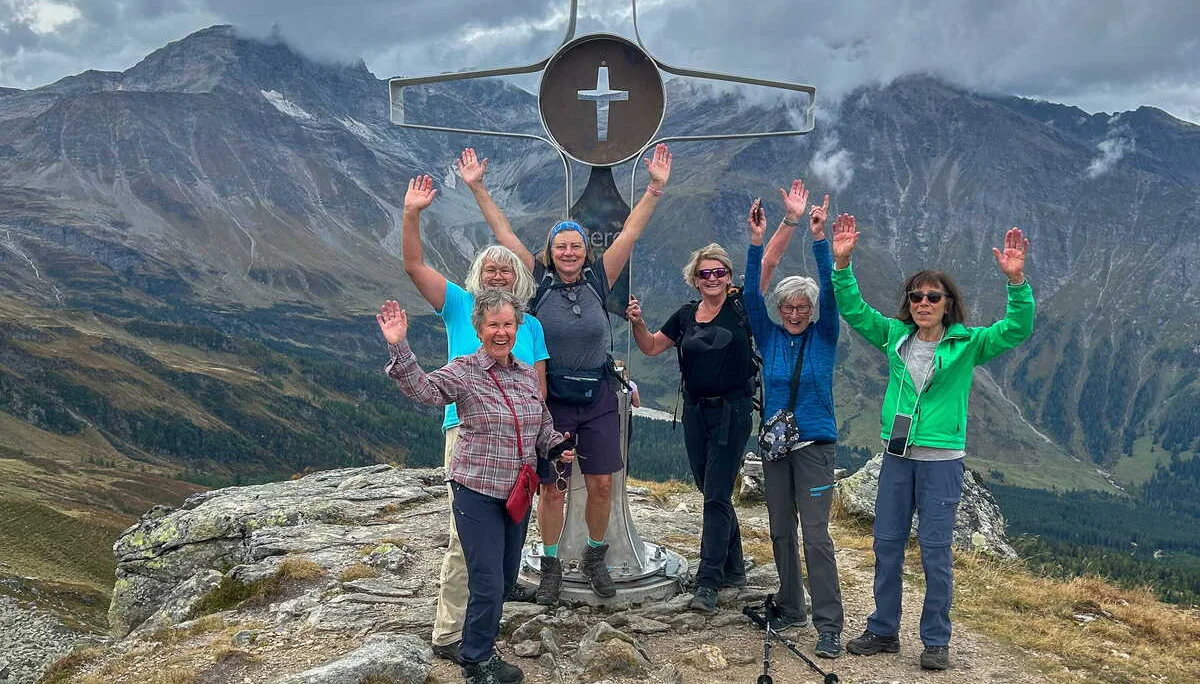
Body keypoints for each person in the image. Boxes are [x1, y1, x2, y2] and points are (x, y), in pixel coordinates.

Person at [457, 144, 672, 602]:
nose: (570, 252)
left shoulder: (600, 277)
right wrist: (477, 187)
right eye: (561, 246)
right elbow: (503, 232)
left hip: (596, 396)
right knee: (552, 488)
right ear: (550, 253)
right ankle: (552, 564)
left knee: (600, 483)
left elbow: (630, 234)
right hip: (552, 401)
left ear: (583, 250)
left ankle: (595, 557)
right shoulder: (535, 283)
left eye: (575, 245)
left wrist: (654, 187)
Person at [833, 221, 1035, 671]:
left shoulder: (968, 344)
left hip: (942, 460)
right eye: (916, 296)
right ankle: (883, 630)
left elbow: (1018, 328)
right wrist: (843, 262)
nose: (923, 303)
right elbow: (852, 308)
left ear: (948, 305)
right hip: (897, 457)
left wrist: (1016, 280)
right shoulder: (894, 336)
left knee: (935, 551)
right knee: (885, 545)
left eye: (932, 297)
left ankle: (936, 641)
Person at [378, 289, 574, 684]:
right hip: (476, 492)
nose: (502, 333)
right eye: (493, 325)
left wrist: (555, 445)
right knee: (485, 581)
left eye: (508, 325)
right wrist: (400, 347)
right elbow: (425, 391)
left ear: (517, 328)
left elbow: (540, 421)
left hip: (515, 493)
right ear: (479, 328)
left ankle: (479, 642)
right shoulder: (465, 370)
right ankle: (476, 661)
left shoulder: (522, 373)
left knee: (502, 578)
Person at [399, 172, 549, 663]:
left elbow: (538, 392)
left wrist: (545, 445)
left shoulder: (529, 325)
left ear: (518, 282)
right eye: (491, 269)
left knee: (500, 548)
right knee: (465, 542)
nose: (499, 274)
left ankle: (480, 630)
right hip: (467, 429)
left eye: (507, 270)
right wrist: (412, 212)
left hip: (519, 440)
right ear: (476, 277)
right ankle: (450, 635)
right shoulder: (459, 306)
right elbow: (414, 263)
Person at [744, 181, 846, 658]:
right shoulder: (767, 335)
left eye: (802, 307)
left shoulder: (824, 335)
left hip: (814, 447)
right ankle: (790, 603)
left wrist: (820, 239)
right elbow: (748, 294)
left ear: (812, 310)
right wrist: (755, 244)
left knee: (817, 536)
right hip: (775, 448)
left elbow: (831, 289)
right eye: (787, 306)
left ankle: (830, 625)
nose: (794, 313)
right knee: (781, 529)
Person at [626, 242, 754, 614]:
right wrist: (638, 323)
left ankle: (708, 581)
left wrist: (766, 237)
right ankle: (734, 566)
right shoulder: (684, 316)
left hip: (734, 410)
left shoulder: (742, 309)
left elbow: (767, 266)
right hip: (695, 412)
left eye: (719, 272)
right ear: (694, 279)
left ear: (729, 277)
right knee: (709, 489)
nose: (712, 278)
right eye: (705, 273)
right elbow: (650, 347)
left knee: (715, 494)